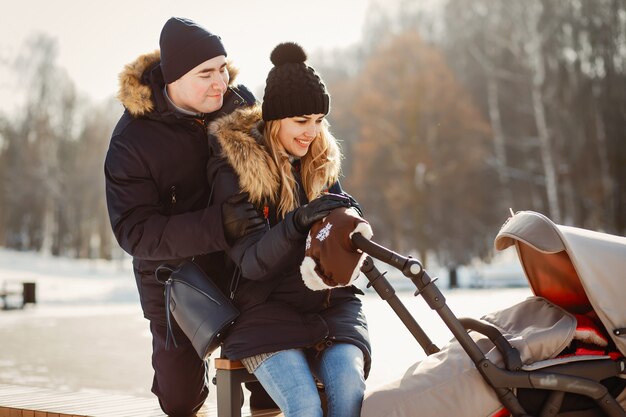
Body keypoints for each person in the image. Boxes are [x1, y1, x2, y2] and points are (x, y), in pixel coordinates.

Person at [104, 17, 270, 416]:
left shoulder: (239, 105)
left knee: (273, 379)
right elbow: (134, 232)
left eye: (223, 68)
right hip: (174, 281)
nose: (221, 82)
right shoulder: (133, 141)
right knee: (179, 400)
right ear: (174, 79)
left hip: (242, 268)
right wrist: (217, 225)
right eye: (206, 73)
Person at [206, 42, 371, 417]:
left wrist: (352, 222)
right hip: (263, 313)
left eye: (318, 120)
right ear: (276, 120)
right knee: (306, 407)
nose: (312, 131)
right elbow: (251, 263)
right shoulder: (235, 172)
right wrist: (297, 223)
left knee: (348, 396)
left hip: (331, 307)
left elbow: (343, 215)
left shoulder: (318, 160)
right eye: (301, 121)